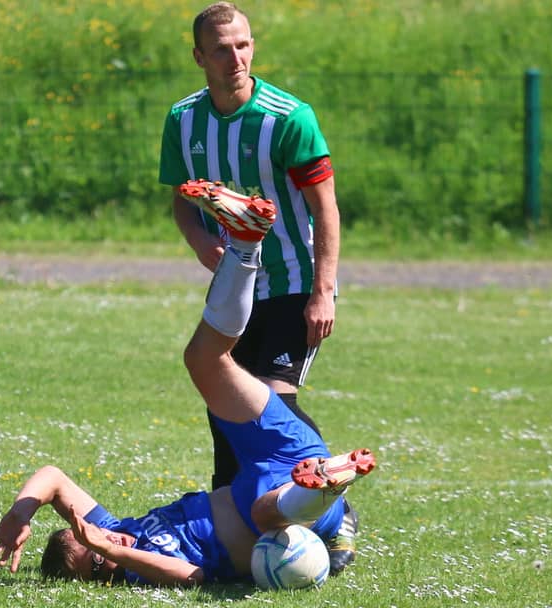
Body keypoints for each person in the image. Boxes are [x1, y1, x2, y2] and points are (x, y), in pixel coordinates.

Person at [0, 183, 375, 586]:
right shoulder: (138, 568)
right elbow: (194, 576)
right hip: (286, 510)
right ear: (102, 576)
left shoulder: (119, 529)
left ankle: (245, 243)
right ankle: (325, 490)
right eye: (97, 559)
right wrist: (115, 554)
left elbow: (53, 478)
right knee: (265, 511)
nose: (105, 540)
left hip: (276, 457)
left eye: (92, 535)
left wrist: (20, 513)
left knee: (203, 360)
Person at [157, 2, 357, 573]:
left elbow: (326, 209)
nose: (235, 57)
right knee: (226, 405)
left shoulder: (289, 117)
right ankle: (234, 524)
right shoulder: (183, 120)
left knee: (274, 399)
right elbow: (182, 200)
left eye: (243, 45)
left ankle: (334, 506)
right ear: (199, 56)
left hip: (294, 281)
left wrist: (323, 291)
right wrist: (201, 242)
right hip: (237, 285)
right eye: (221, 49)